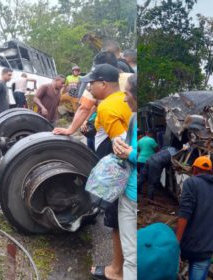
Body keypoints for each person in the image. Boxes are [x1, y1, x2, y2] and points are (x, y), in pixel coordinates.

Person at [81, 64, 131, 280]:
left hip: (120, 178)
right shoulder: (120, 100)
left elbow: (121, 146)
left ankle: (116, 270)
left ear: (103, 84)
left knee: (117, 222)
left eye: (92, 82)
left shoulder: (108, 107)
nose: (89, 86)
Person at [53, 51, 132, 136]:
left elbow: (84, 108)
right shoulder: (132, 78)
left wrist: (70, 130)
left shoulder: (97, 81)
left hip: (109, 133)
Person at [175, 156, 213, 280]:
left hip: (187, 245)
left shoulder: (191, 183)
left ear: (195, 170)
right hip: (206, 249)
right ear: (210, 172)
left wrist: (176, 244)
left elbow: (184, 215)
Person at [112, 74, 137, 280]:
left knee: (135, 256)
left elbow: (153, 156)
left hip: (138, 198)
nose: (124, 98)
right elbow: (126, 140)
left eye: (127, 93)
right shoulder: (134, 118)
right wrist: (117, 143)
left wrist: (130, 154)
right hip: (128, 193)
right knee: (130, 255)